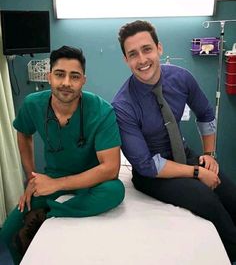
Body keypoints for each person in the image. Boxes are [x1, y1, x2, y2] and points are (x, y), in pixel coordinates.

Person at [112, 20, 236, 263]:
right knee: (208, 202)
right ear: (126, 60)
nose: (142, 59)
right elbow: (146, 165)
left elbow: (206, 114)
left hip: (185, 154)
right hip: (151, 176)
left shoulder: (182, 78)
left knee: (231, 195)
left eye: (147, 49)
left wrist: (209, 155)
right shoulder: (123, 105)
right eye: (133, 54)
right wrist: (197, 172)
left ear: (159, 48)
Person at [0, 45, 125, 265]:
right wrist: (32, 177)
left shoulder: (102, 111)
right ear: (49, 77)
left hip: (90, 182)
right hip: (51, 179)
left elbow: (110, 168)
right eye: (60, 74)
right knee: (7, 234)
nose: (66, 82)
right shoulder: (33, 105)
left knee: (115, 190)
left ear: (83, 81)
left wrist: (56, 185)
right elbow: (24, 135)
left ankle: (48, 215)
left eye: (74, 76)